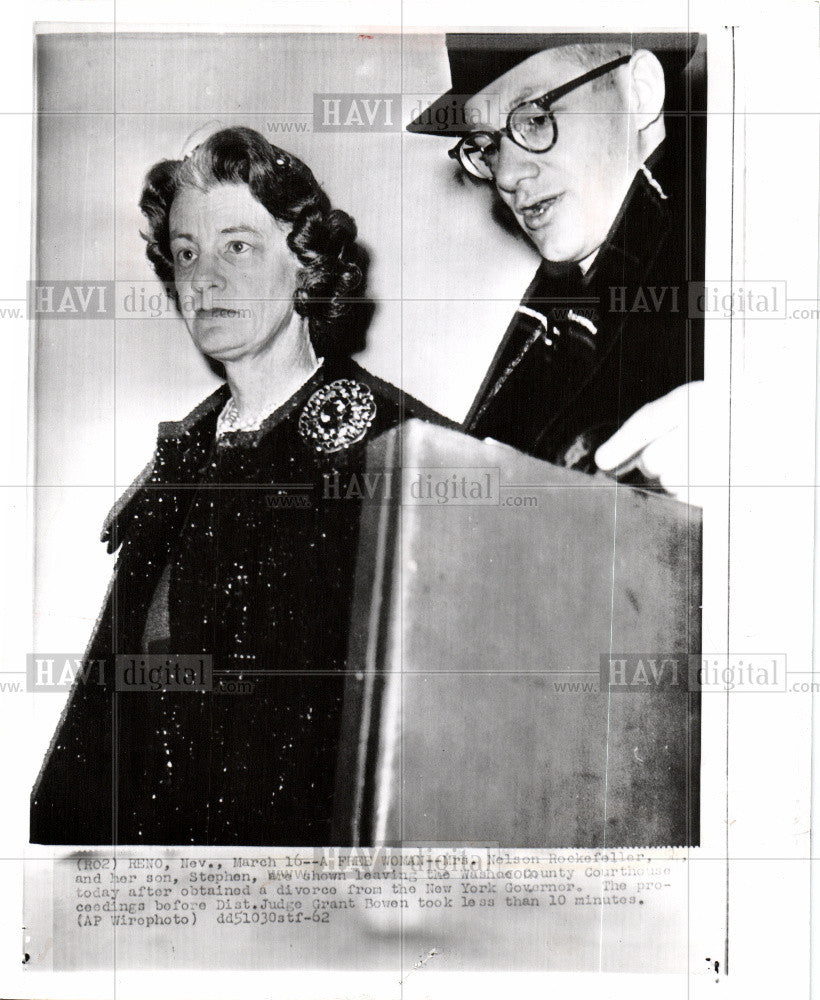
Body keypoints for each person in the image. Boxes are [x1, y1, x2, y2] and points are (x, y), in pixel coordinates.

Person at [30, 126, 448, 846]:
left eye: (238, 247)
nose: (203, 279)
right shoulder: (179, 461)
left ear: (307, 261)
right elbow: (102, 725)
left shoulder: (396, 446)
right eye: (186, 253)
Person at [407, 33, 705, 497]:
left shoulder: (746, 246)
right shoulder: (559, 311)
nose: (506, 176)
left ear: (640, 92)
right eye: (487, 145)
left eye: (535, 118)